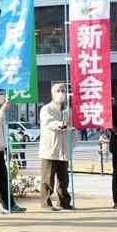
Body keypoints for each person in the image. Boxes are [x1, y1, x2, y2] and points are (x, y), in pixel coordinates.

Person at [39, 83, 73, 211]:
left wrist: (72, 143)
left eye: (63, 90)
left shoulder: (68, 110)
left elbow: (72, 127)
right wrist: (60, 125)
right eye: (58, 91)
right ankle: (46, 203)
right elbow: (48, 123)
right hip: (50, 149)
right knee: (48, 178)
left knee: (64, 178)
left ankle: (64, 202)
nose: (61, 93)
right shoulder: (46, 109)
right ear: (53, 94)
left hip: (64, 149)